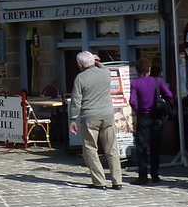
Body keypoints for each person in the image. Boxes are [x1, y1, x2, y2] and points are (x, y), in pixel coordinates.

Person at [70, 51, 122, 189]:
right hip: (108, 115)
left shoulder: (80, 78)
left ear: (80, 65)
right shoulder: (105, 73)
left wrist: (72, 119)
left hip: (90, 117)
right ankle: (117, 181)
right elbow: (104, 68)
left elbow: (76, 101)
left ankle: (99, 181)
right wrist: (98, 62)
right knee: (112, 149)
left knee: (90, 149)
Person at [128, 57, 174, 185]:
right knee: (155, 146)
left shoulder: (135, 83)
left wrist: (138, 109)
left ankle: (143, 175)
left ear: (138, 70)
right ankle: (155, 174)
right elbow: (169, 95)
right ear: (149, 68)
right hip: (157, 115)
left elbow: (132, 101)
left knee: (141, 147)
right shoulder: (157, 81)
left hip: (144, 116)